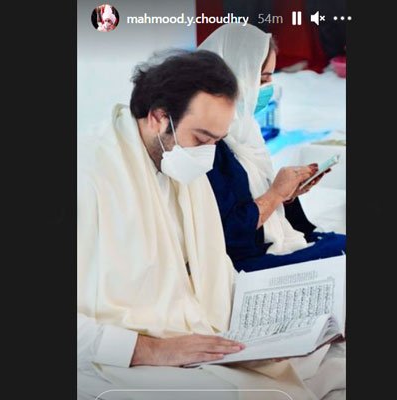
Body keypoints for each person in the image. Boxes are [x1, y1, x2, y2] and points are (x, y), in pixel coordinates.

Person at [77, 49, 346, 400]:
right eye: (202, 140)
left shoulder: (178, 160)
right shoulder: (88, 175)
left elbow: (207, 269)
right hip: (123, 349)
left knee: (320, 361)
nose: (208, 154)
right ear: (158, 117)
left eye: (216, 142)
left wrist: (276, 328)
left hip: (197, 326)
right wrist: (149, 349)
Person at [199, 24, 346, 272]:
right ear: (236, 74)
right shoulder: (208, 141)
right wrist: (275, 194)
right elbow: (226, 234)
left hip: (266, 243)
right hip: (244, 259)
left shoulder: (246, 130)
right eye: (263, 78)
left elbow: (251, 198)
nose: (269, 87)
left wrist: (287, 195)